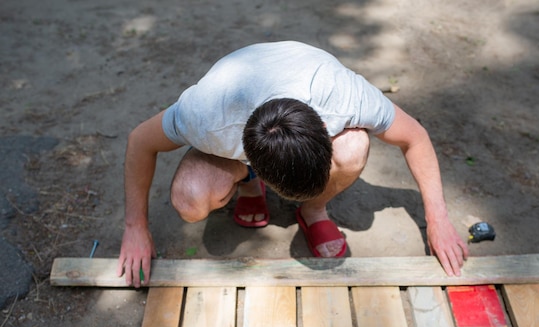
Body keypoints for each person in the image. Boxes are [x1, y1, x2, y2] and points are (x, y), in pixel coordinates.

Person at [116, 41, 469, 288]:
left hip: (297, 89)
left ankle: (313, 210)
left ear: (323, 131)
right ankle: (250, 187)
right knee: (190, 200)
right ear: (250, 160)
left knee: (354, 146)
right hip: (233, 111)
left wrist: (437, 218)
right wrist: (135, 226)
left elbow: (415, 137)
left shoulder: (344, 98)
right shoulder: (206, 115)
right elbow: (139, 142)